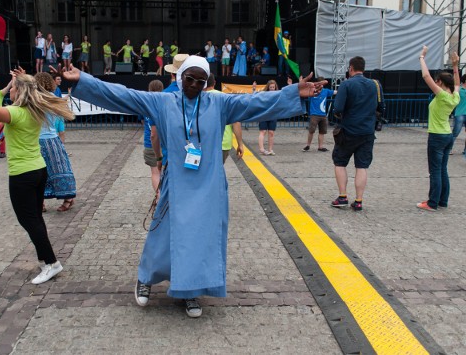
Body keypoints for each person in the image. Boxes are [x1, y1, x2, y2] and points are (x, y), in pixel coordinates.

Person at [60, 55, 326, 318]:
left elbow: (256, 102)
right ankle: (146, 278)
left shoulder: (218, 103)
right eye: (190, 79)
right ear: (179, 78)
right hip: (175, 182)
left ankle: (190, 290)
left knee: (199, 239)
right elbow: (123, 95)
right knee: (162, 235)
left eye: (201, 81)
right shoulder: (163, 102)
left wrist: (295, 92)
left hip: (208, 185)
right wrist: (82, 79)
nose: (195, 86)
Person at [0, 58, 75, 284]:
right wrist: (16, 81)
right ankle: (45, 259)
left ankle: (52, 263)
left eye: (13, 89)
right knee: (35, 218)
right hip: (38, 170)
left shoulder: (17, 113)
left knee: (28, 220)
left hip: (23, 173)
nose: (9, 91)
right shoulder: (34, 109)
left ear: (20, 92)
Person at [331, 56, 384, 212]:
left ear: (351, 68)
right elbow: (382, 107)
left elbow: (338, 108)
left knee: (340, 162)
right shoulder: (375, 84)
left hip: (348, 131)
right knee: (362, 166)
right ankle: (359, 201)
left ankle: (342, 197)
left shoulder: (346, 84)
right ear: (364, 68)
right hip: (367, 132)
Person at [416, 47, 460, 211]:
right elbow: (456, 83)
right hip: (447, 135)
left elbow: (425, 76)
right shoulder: (455, 96)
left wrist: (422, 57)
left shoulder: (441, 95)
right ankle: (442, 200)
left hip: (436, 135)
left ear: (440, 82)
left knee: (435, 170)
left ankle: (432, 202)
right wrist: (455, 66)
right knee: (442, 169)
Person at [35, 72, 76, 212]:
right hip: (38, 139)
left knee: (58, 169)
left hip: (50, 138)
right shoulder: (34, 98)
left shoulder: (49, 98)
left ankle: (68, 198)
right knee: (39, 171)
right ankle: (40, 201)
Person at [204, 74, 244, 163]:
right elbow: (236, 122)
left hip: (205, 142)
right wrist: (240, 144)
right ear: (214, 83)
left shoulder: (199, 98)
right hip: (224, 143)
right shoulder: (226, 98)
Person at [303, 77, 336, 152]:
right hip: (314, 114)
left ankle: (320, 147)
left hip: (323, 115)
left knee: (322, 131)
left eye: (322, 84)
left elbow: (334, 92)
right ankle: (308, 145)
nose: (321, 86)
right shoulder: (312, 91)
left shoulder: (326, 91)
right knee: (311, 130)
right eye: (320, 84)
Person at [143, 79, 164, 191]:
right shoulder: (165, 104)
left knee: (155, 172)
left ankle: (158, 197)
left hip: (149, 143)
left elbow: (143, 121)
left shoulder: (145, 105)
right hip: (165, 143)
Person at [258, 80, 279, 155]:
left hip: (273, 115)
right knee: (263, 131)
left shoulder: (278, 94)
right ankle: (262, 149)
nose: (272, 88)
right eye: (271, 87)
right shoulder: (263, 94)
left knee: (271, 132)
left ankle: (270, 149)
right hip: (264, 114)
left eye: (273, 87)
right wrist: (254, 89)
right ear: (268, 87)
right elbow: (255, 97)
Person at [451, 73, 466, 155]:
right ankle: (449, 148)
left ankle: (465, 150)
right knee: (455, 132)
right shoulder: (459, 89)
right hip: (459, 113)